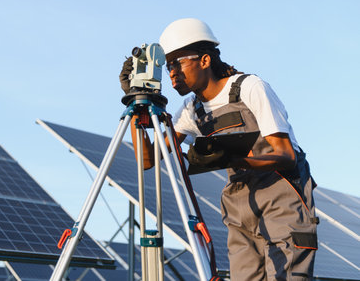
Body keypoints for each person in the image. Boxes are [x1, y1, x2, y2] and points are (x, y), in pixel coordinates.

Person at [119, 18, 318, 281]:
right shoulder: (192, 111)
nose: (172, 74)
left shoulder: (249, 88)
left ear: (204, 60)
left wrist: (238, 159)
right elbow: (147, 160)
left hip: (281, 199)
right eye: (168, 67)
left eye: (179, 63)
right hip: (240, 208)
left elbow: (286, 155)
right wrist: (138, 103)